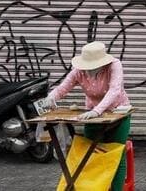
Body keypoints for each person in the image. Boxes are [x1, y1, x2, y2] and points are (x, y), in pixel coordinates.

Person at [39, 41, 131, 191]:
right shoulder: (78, 71)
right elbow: (62, 89)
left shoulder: (114, 65)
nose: (88, 70)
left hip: (118, 113)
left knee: (116, 154)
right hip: (93, 116)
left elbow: (114, 90)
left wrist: (97, 111)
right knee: (90, 153)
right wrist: (48, 101)